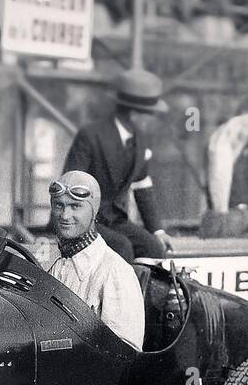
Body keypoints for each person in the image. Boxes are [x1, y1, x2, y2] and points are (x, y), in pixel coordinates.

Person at [64, 67, 175, 263]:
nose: (153, 120)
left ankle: (141, 294)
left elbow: (142, 187)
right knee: (121, 247)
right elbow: (70, 185)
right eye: (151, 114)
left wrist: (157, 230)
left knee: (153, 248)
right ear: (134, 114)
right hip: (82, 220)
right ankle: (118, 294)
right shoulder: (91, 136)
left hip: (115, 220)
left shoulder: (140, 141)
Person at [46, 170, 145, 351]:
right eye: (59, 205)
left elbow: (124, 355)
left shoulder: (115, 271)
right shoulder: (55, 266)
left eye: (75, 206)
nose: (65, 215)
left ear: (94, 212)